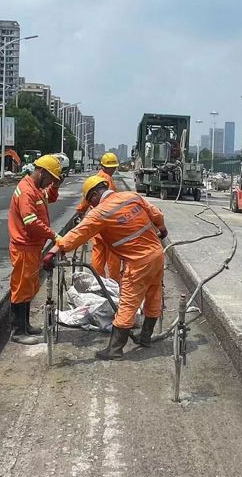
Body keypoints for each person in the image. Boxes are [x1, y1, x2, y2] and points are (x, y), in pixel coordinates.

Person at [45, 175, 168, 360]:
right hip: (157, 254)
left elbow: (77, 233)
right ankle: (145, 337)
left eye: (90, 201)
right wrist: (162, 228)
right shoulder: (131, 196)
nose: (91, 205)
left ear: (94, 195)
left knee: (127, 303)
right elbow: (156, 214)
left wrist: (54, 251)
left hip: (138, 262)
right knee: (154, 294)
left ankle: (115, 349)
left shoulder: (100, 213)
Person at [8, 154, 63, 344]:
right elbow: (31, 222)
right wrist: (53, 235)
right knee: (21, 288)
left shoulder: (37, 189)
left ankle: (25, 325)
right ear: (41, 173)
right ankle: (18, 331)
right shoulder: (27, 191)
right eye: (50, 179)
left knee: (29, 287)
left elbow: (50, 198)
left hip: (32, 247)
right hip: (24, 247)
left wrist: (55, 185)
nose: (50, 183)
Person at [75, 152, 122, 281]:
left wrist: (81, 211)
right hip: (109, 225)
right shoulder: (106, 181)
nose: (112, 170)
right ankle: (114, 283)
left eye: (114, 167)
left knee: (98, 253)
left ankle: (98, 282)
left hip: (97, 223)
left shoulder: (97, 178)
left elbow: (87, 199)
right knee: (113, 256)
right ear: (104, 166)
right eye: (111, 167)